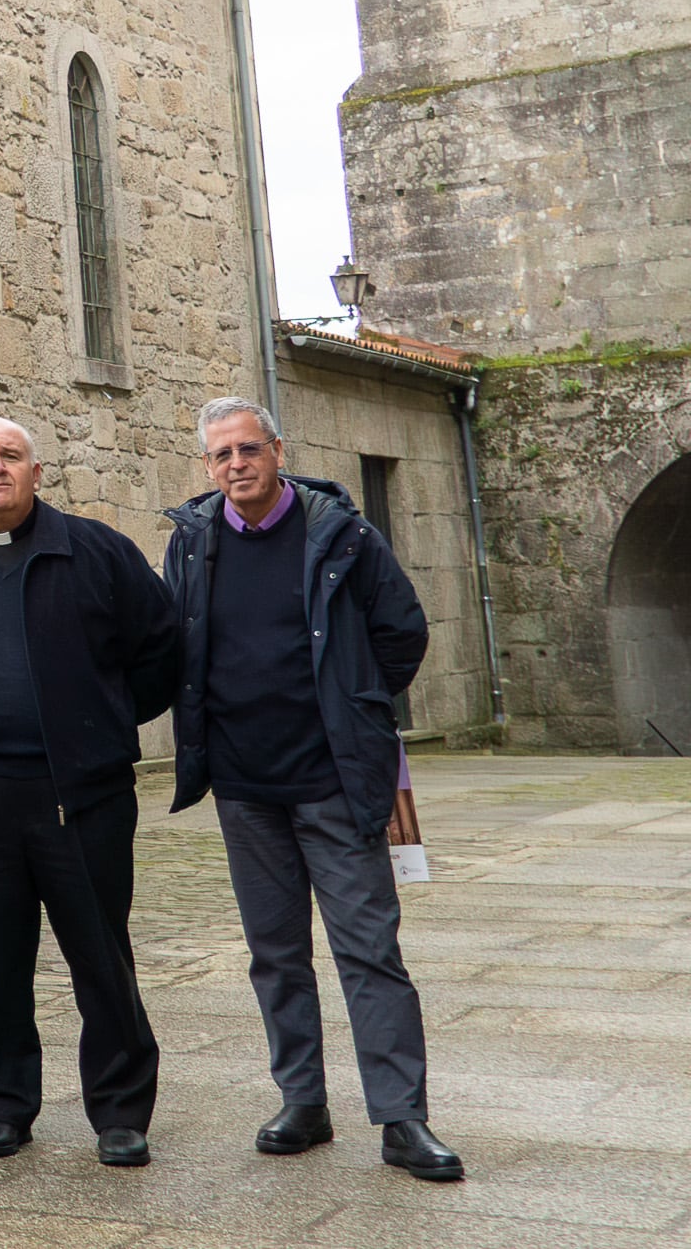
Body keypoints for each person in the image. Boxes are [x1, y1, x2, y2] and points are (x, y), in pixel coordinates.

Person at [162, 396, 464, 1181]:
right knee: (276, 954)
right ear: (208, 466)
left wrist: (353, 704)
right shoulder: (192, 542)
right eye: (222, 454)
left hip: (335, 781)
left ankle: (402, 1117)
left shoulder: (343, 534)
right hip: (244, 787)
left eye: (248, 448)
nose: (236, 464)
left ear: (278, 450)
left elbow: (403, 632)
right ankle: (303, 1101)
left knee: (369, 950)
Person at [0, 417, 180, 1168]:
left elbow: (159, 649)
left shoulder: (98, 552)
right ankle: (0, 1105)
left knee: (102, 958)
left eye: (11, 455)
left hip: (81, 797)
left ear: (37, 472)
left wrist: (102, 722)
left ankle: (120, 1111)